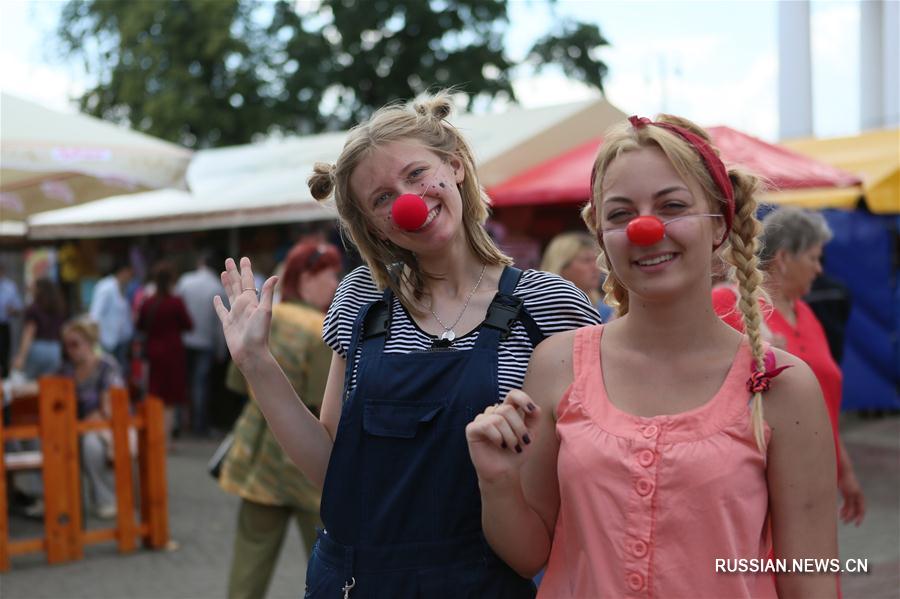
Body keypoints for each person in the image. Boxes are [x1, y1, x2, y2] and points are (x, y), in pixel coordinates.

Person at [214, 92, 600, 598]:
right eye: (380, 198)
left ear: (456, 168)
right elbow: (333, 469)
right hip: (355, 581)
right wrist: (256, 363)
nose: (407, 201)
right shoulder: (362, 300)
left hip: (486, 582)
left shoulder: (546, 304)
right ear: (373, 224)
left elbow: (588, 468)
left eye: (416, 175)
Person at [466, 115, 838, 598]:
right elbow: (529, 553)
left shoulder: (782, 383)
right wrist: (497, 482)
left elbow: (810, 573)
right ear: (601, 234)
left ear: (720, 225)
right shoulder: (557, 364)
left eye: (673, 206)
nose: (645, 228)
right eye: (620, 214)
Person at [712, 207, 865, 526]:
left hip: (815, 486)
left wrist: (845, 472)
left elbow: (825, 403)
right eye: (813, 257)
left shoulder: (806, 315)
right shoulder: (729, 304)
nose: (819, 269)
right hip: (759, 491)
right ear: (783, 259)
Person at [220, 240, 340, 599]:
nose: (337, 282)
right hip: (310, 466)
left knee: (248, 569)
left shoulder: (263, 315)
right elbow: (326, 406)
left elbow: (234, 381)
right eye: (331, 273)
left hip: (259, 458)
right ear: (307, 277)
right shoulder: (322, 329)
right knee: (328, 564)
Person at [60, 316, 125, 519]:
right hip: (74, 427)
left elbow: (109, 410)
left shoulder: (106, 366)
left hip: (103, 428)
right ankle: (56, 501)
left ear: (89, 343)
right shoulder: (66, 370)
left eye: (74, 344)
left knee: (91, 445)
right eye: (66, 345)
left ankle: (104, 499)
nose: (70, 350)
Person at [137, 262, 192, 441]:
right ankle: (166, 437)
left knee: (155, 394)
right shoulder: (176, 302)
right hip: (173, 352)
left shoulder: (148, 302)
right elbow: (188, 325)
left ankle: (154, 434)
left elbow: (139, 325)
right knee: (169, 398)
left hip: (153, 352)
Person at [176, 251, 225, 436]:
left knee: (183, 383)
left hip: (185, 340)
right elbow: (221, 323)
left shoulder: (185, 281)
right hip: (205, 342)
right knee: (200, 385)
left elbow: (177, 309)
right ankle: (199, 426)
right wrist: (222, 349)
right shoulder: (217, 287)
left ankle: (180, 425)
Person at [540, 232, 613, 321]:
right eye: (586, 260)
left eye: (596, 260)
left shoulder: (607, 310)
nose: (596, 267)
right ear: (561, 267)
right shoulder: (541, 311)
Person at [11, 278, 66, 379]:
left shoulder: (34, 308)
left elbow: (29, 332)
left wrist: (21, 356)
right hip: (55, 348)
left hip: (38, 346)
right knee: (48, 383)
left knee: (31, 383)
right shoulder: (58, 308)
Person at [89, 259, 134, 375]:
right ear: (123, 272)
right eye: (130, 273)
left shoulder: (121, 288)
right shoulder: (106, 287)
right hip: (106, 340)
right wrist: (95, 340)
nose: (131, 277)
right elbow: (95, 315)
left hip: (118, 340)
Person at [0, 263, 23, 378]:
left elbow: (18, 308)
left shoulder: (10, 287)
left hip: (4, 325)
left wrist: (12, 310)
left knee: (4, 354)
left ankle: (4, 381)